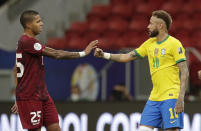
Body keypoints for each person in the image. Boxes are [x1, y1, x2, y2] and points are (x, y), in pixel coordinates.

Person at [94, 10, 189, 131]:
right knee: (143, 129)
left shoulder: (174, 44)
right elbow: (126, 56)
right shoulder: (149, 44)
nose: (147, 26)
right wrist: (104, 55)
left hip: (171, 96)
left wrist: (181, 97)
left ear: (160, 26)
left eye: (151, 23)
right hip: (154, 97)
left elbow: (184, 71)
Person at [10, 10, 98, 131]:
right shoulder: (27, 42)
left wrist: (17, 96)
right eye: (38, 21)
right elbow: (56, 54)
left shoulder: (25, 42)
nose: (42, 24)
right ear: (29, 25)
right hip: (30, 97)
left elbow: (16, 69)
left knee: (55, 128)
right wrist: (83, 53)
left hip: (42, 95)